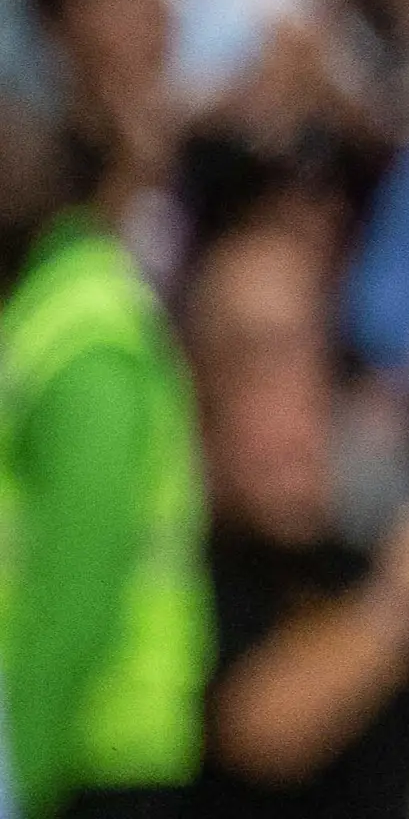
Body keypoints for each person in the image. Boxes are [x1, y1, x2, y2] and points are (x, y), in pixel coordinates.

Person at [0, 103, 209, 819]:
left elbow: (78, 577)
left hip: (95, 754)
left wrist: (18, 773)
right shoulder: (45, 312)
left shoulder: (82, 329)